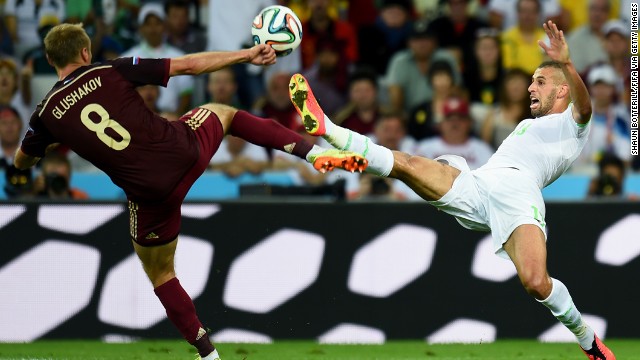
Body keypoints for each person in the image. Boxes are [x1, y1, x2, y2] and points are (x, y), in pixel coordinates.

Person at [14, 23, 366, 360]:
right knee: (224, 113)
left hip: (151, 195)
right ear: (85, 51)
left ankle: (208, 354)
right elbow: (189, 65)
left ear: (50, 61)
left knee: (162, 273)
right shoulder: (110, 69)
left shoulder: (45, 115)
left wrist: (46, 140)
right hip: (183, 150)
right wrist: (246, 55)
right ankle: (315, 153)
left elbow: (21, 162)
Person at [288, 20, 616, 359]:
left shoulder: (572, 125)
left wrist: (566, 63)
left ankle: (588, 340)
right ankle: (329, 130)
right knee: (408, 165)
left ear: (562, 90)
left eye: (541, 81)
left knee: (536, 282)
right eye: (532, 80)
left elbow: (586, 107)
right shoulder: (528, 124)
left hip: (519, 193)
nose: (531, 87)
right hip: (479, 185)